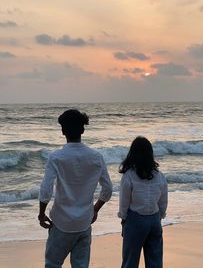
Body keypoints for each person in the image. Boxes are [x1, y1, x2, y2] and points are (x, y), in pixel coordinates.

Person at [38, 109, 113, 268]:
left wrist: (41, 213)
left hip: (61, 222)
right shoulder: (96, 157)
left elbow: (46, 190)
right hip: (84, 222)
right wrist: (95, 208)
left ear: (63, 131)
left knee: (53, 264)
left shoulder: (56, 157)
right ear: (83, 130)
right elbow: (107, 189)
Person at [118, 136, 168, 268]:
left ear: (132, 154)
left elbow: (124, 202)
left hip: (135, 220)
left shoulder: (129, 175)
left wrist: (123, 219)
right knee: (155, 261)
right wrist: (160, 216)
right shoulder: (159, 175)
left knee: (130, 261)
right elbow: (163, 200)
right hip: (154, 219)